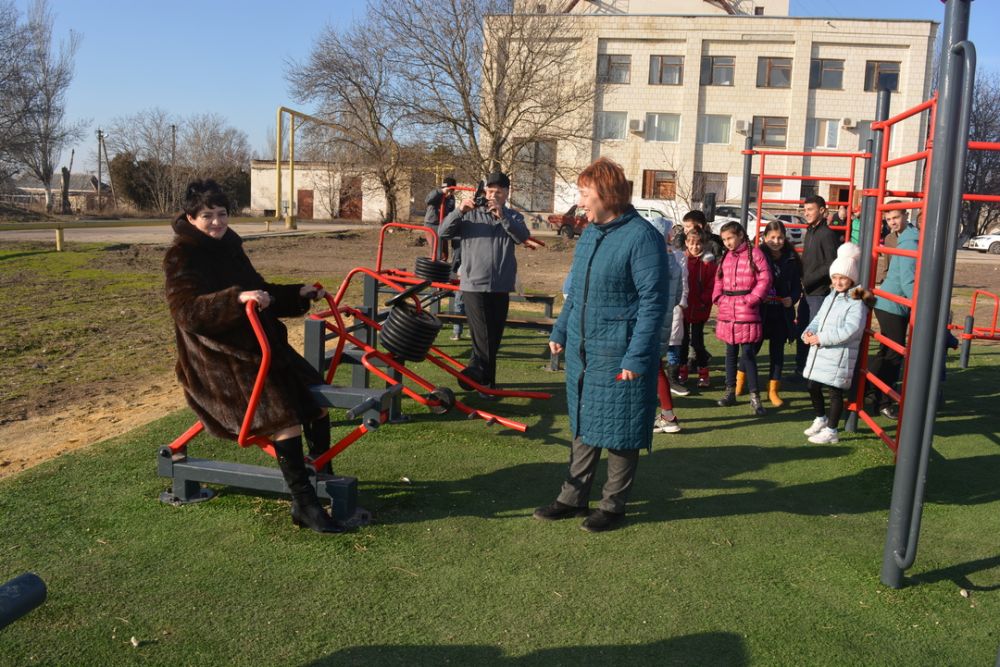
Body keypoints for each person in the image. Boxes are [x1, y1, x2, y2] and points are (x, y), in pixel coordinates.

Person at [163, 180, 346, 534]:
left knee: (318, 399)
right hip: (218, 358)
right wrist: (235, 301)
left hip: (261, 346)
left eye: (222, 214)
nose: (217, 222)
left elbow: (260, 291)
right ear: (190, 217)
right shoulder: (182, 255)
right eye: (207, 216)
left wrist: (298, 293)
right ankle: (304, 504)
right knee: (283, 416)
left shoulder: (229, 247)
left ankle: (323, 474)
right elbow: (185, 312)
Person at [534, 157, 668, 533]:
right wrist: (560, 332)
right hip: (582, 347)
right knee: (582, 420)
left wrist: (637, 356)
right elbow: (575, 289)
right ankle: (572, 497)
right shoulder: (592, 232)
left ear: (607, 194)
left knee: (621, 428)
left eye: (583, 192)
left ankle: (613, 505)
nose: (580, 201)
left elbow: (653, 303)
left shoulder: (642, 238)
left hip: (619, 350)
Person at [439, 171, 534, 395]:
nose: (493, 196)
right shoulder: (470, 215)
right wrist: (459, 211)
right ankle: (481, 382)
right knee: (483, 337)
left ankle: (482, 382)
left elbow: (522, 237)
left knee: (493, 337)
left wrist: (503, 217)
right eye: (489, 191)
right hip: (473, 285)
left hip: (501, 286)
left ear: (507, 193)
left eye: (498, 192)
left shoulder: (513, 216)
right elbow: (443, 232)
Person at [802, 243, 875, 443]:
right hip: (822, 350)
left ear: (851, 278)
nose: (838, 281)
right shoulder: (831, 295)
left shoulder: (856, 301)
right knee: (812, 385)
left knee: (835, 392)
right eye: (834, 277)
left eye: (842, 278)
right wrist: (809, 331)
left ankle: (832, 431)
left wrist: (821, 338)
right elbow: (819, 318)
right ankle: (821, 418)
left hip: (839, 353)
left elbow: (851, 330)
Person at [864, 204, 918, 420]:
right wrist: (918, 303)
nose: (892, 222)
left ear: (906, 216)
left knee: (887, 351)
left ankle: (869, 388)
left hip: (890, 301)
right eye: (889, 219)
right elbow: (906, 278)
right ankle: (882, 399)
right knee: (895, 354)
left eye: (896, 217)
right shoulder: (908, 241)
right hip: (892, 303)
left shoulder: (908, 239)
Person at [713, 221, 772, 415]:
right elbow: (718, 279)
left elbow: (765, 277)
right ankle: (730, 391)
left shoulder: (755, 254)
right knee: (730, 353)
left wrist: (753, 298)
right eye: (724, 240)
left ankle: (755, 396)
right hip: (728, 309)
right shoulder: (726, 257)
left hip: (747, 309)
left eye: (729, 238)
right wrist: (719, 298)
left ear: (740, 235)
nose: (727, 243)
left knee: (748, 354)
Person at [753, 220, 802, 407]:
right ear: (764, 238)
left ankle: (773, 390)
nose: (776, 241)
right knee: (751, 349)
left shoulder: (791, 258)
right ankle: (740, 381)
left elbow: (797, 286)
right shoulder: (757, 256)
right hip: (760, 312)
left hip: (782, 314)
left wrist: (793, 298)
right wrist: (759, 296)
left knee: (777, 353)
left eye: (780, 237)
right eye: (772, 237)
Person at [795, 195, 840, 377]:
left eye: (810, 210)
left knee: (815, 334)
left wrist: (808, 280)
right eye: (805, 210)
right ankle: (801, 369)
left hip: (818, 293)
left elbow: (831, 263)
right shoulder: (811, 231)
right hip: (807, 293)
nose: (806, 213)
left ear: (822, 210)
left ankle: (813, 372)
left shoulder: (826, 234)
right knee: (803, 330)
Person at [648, 217, 686, 433]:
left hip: (650, 320)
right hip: (666, 318)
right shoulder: (675, 260)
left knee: (651, 367)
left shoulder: (653, 259)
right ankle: (666, 414)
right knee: (655, 365)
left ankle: (668, 415)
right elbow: (678, 295)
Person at [681, 228, 716, 389]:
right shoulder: (681, 259)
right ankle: (682, 370)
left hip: (700, 308)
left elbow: (711, 285)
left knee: (697, 342)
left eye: (698, 243)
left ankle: (703, 372)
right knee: (681, 341)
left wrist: (704, 300)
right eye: (691, 243)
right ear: (686, 243)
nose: (695, 247)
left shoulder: (708, 262)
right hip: (683, 306)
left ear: (704, 244)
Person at [424, 177, 457, 261]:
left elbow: (451, 212)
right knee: (437, 253)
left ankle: (442, 271)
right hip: (432, 224)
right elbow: (428, 200)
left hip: (443, 225)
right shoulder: (437, 194)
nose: (449, 194)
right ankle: (433, 271)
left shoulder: (451, 199)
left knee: (444, 254)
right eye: (448, 191)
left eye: (452, 191)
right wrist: (441, 192)